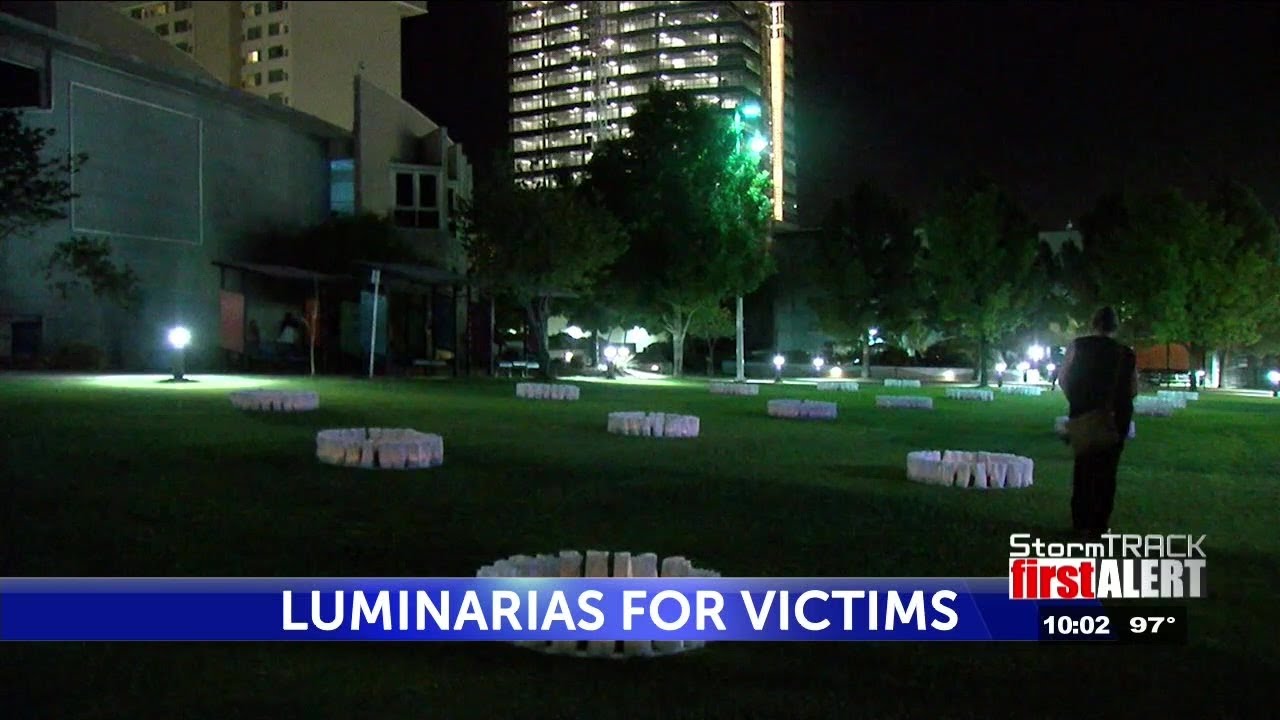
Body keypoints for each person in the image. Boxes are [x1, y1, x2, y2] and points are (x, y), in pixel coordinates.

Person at [1058, 306, 1138, 539]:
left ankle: (1080, 521)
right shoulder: (1126, 353)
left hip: (1083, 413)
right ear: (1115, 326)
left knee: (1083, 468)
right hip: (1114, 416)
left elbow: (1063, 378)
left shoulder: (1078, 346)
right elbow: (1133, 388)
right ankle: (1099, 523)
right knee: (1107, 470)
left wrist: (1078, 400)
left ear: (1094, 323)